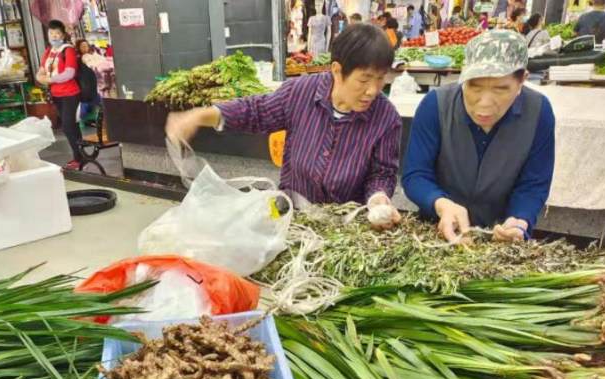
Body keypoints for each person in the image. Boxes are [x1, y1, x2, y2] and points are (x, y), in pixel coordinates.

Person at [166, 24, 402, 218]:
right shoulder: (301, 92)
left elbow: (382, 173)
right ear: (337, 70)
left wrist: (378, 199)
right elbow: (255, 111)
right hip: (291, 215)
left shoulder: (386, 118)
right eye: (364, 80)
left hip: (346, 227)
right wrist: (200, 115)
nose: (373, 90)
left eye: (381, 79)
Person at [402, 30, 555, 243]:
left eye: (501, 89)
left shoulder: (538, 113)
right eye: (474, 86)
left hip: (499, 236)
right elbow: (415, 174)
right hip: (436, 232)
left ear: (522, 81)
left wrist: (519, 221)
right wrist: (441, 204)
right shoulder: (436, 106)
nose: (484, 102)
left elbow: (534, 184)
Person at [37, 20, 83, 170]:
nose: (54, 36)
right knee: (71, 126)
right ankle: (80, 155)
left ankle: (78, 157)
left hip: (70, 93)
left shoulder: (67, 50)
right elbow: (41, 70)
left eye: (57, 33)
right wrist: (41, 77)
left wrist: (49, 79)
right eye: (51, 33)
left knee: (68, 126)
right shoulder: (49, 51)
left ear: (63, 34)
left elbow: (69, 73)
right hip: (56, 94)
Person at [75, 39, 102, 126]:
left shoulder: (91, 56)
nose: (85, 48)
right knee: (85, 106)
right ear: (79, 48)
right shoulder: (81, 58)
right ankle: (84, 122)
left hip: (93, 84)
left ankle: (94, 121)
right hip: (85, 87)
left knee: (98, 104)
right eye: (82, 46)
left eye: (86, 46)